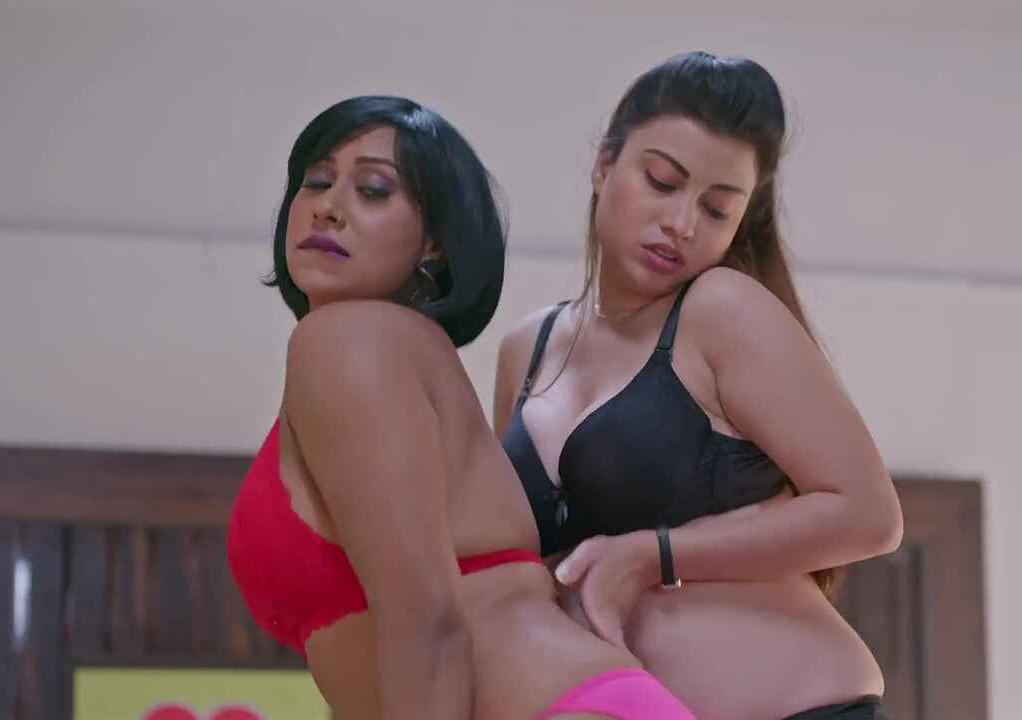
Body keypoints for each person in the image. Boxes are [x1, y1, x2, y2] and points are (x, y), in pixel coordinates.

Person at [226, 95, 695, 719]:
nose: (328, 206)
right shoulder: (389, 351)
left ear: (434, 246)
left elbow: (427, 618)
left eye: (373, 190)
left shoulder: (345, 340)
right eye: (315, 180)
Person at [495, 53, 903, 720]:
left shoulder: (720, 311)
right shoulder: (525, 350)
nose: (682, 223)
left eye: (716, 210)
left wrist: (654, 555)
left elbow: (870, 515)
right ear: (603, 165)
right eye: (662, 182)